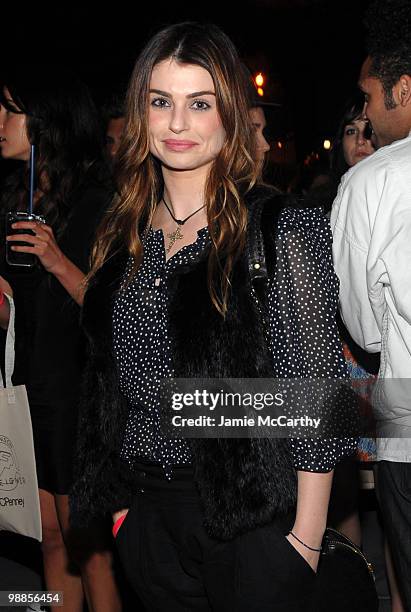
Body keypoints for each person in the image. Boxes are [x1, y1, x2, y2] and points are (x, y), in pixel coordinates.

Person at [71, 22, 356, 611]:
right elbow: (109, 380)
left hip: (250, 523)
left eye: (199, 104)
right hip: (148, 520)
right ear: (140, 111)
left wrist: (301, 543)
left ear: (227, 114)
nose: (178, 124)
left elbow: (320, 396)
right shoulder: (122, 232)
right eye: (161, 102)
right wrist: (125, 513)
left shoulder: (280, 227)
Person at [0, 68, 121, 612]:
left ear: (47, 123)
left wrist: (54, 258)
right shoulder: (14, 198)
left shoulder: (98, 204)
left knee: (89, 552)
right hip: (25, 389)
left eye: (10, 111)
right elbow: (16, 313)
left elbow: (114, 309)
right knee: (48, 539)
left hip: (76, 395)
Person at [331, 1, 411, 608]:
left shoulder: (372, 180)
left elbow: (364, 327)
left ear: (402, 89)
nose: (364, 111)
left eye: (369, 95)